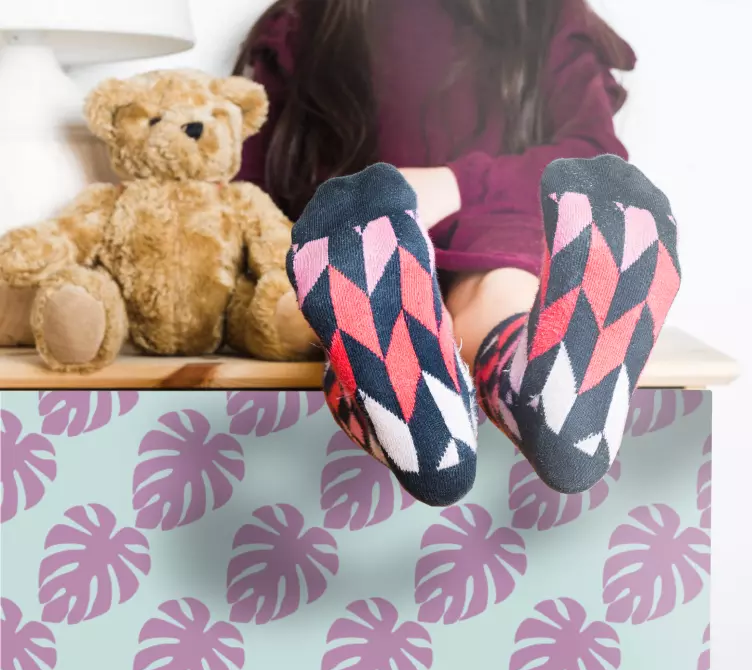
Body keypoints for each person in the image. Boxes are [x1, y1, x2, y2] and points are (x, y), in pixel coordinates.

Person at [234, 0, 681, 507]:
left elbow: (588, 156)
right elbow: (248, 190)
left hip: (456, 238)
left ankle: (421, 417)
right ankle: (537, 398)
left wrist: (452, 185)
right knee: (486, 292)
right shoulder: (304, 24)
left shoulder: (544, 15)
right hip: (363, 246)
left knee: (357, 298)